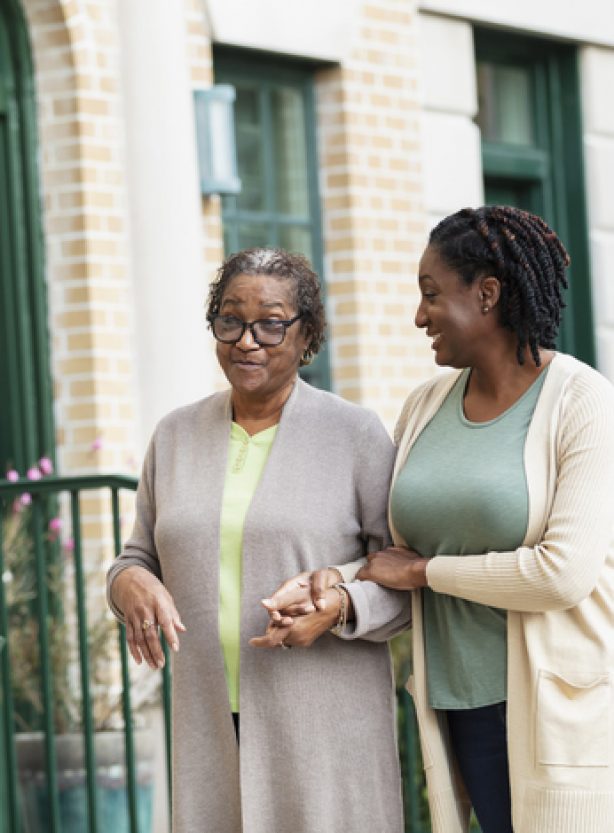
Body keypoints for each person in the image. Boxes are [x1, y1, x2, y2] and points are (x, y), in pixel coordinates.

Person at [261, 207, 614, 833]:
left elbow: (562, 575)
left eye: (430, 295)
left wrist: (426, 573)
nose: (419, 316)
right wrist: (334, 587)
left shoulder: (582, 403)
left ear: (487, 295)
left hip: (560, 713)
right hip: (456, 707)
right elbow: (395, 553)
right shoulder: (426, 405)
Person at [106, 247, 409, 833]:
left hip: (323, 726)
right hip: (208, 722)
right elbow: (135, 558)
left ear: (306, 335)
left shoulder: (354, 435)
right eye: (230, 319)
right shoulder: (174, 435)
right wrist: (130, 583)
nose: (247, 340)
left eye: (271, 323)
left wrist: (341, 606)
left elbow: (402, 579)